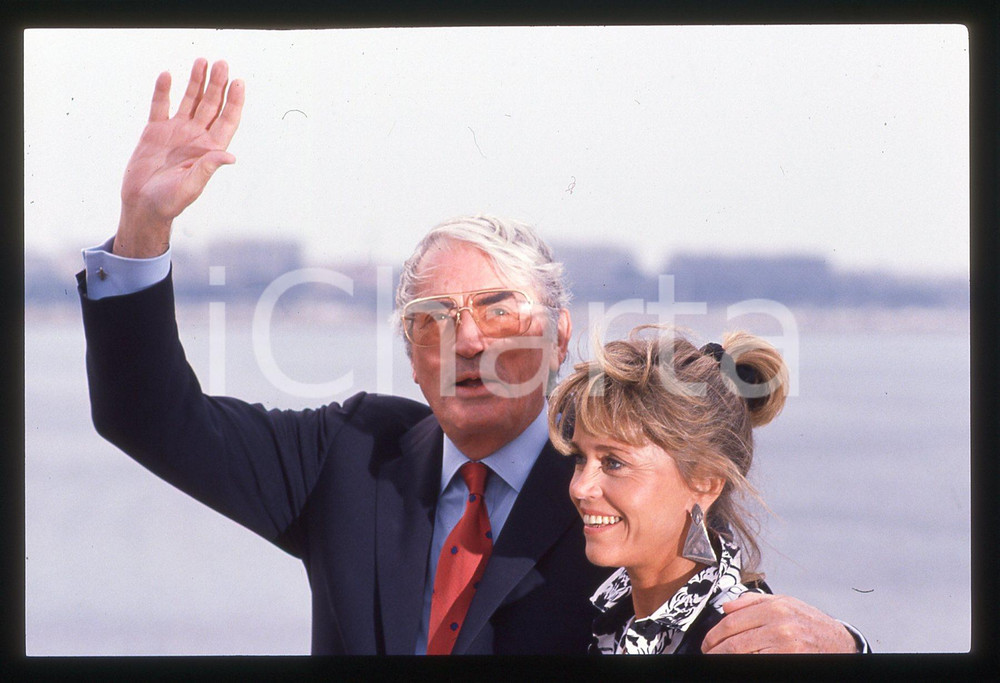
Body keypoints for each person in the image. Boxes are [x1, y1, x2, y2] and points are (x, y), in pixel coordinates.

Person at [77, 57, 866, 654]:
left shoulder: (615, 487)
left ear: (559, 335)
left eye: (498, 308)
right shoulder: (350, 455)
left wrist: (850, 649)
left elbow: (723, 611)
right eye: (434, 317)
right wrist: (141, 227)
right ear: (411, 353)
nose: (471, 339)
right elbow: (147, 415)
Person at [549, 325, 805, 654]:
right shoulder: (615, 614)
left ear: (705, 482)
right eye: (580, 459)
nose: (581, 487)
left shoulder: (739, 643)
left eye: (614, 463)